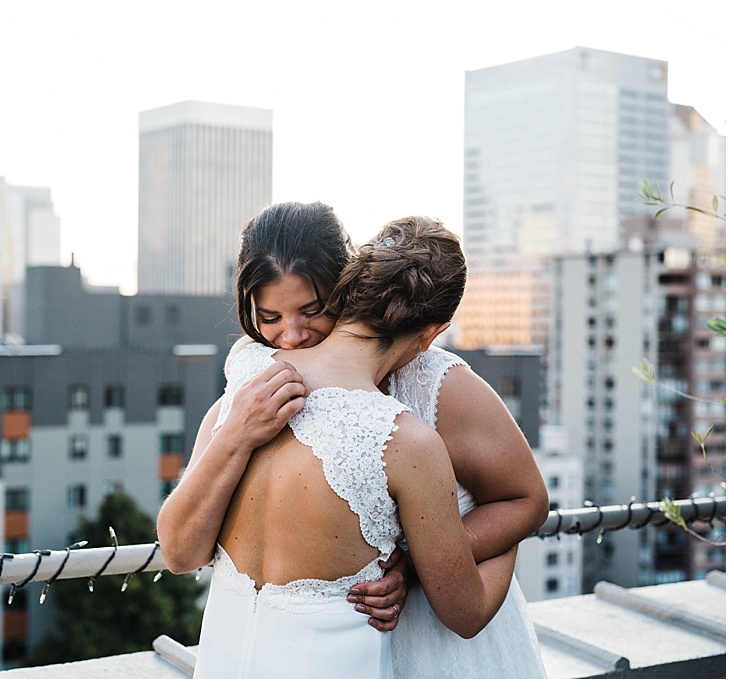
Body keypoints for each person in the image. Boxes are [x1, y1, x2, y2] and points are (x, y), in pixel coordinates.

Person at [157, 202, 547, 677]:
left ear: (346, 289)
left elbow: (523, 499)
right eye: (271, 316)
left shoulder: (428, 386)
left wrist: (429, 560)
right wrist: (237, 432)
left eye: (311, 310)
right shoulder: (255, 383)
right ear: (432, 332)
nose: (292, 337)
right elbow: (180, 551)